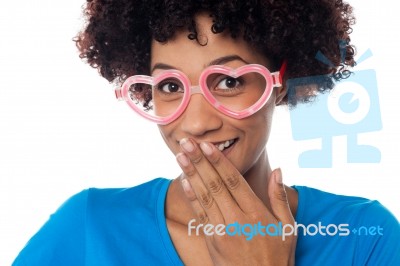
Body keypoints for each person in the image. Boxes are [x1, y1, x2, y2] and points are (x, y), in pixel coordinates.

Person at [13, 0, 400, 265]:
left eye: (229, 81)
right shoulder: (87, 226)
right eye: (170, 86)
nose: (196, 123)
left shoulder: (364, 239)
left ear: (280, 82)